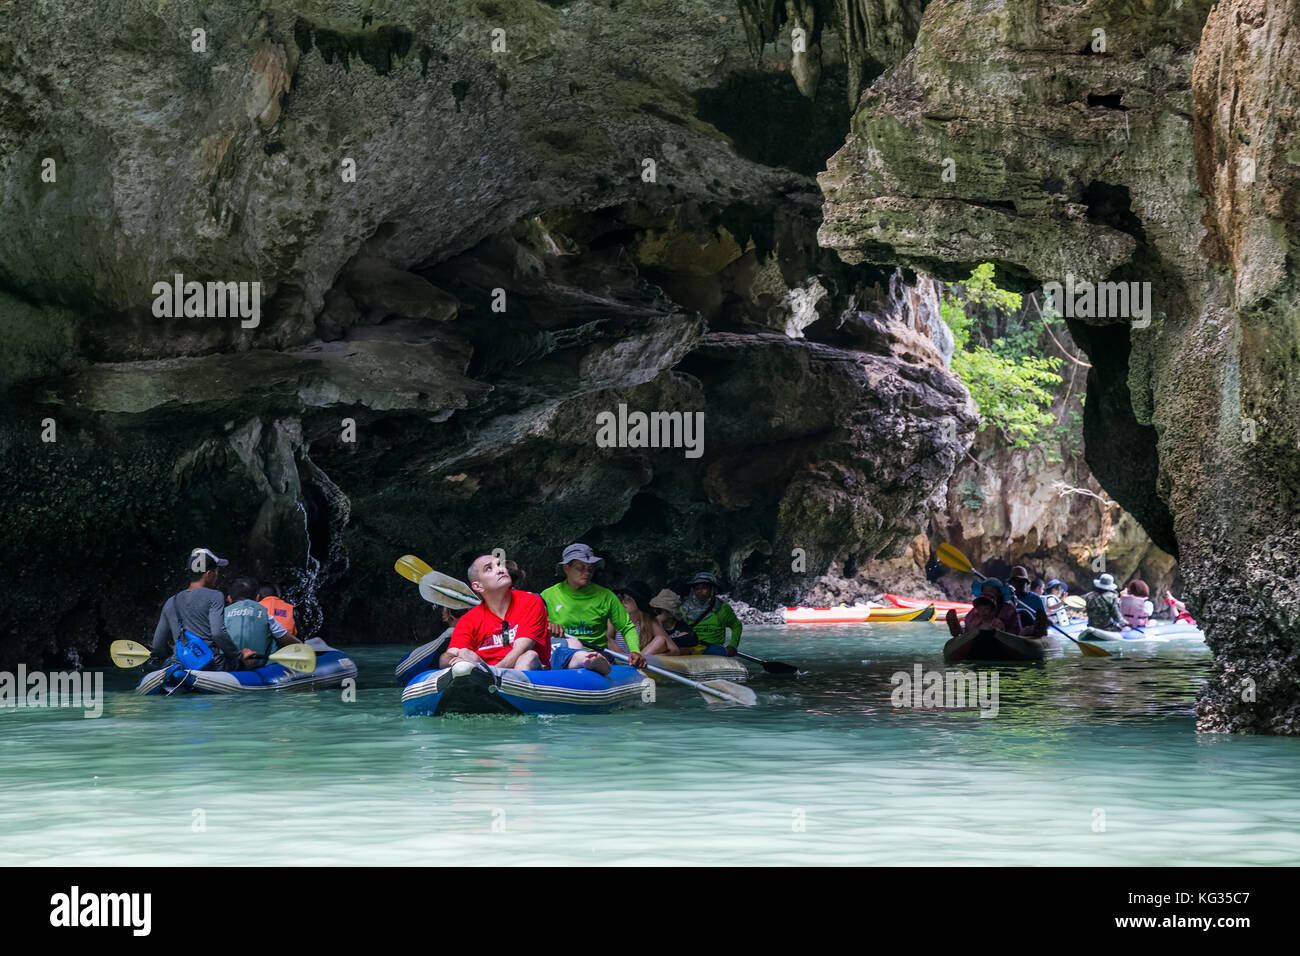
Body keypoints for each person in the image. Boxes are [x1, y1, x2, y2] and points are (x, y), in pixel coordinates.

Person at [540, 543, 646, 674]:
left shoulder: (606, 596)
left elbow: (626, 626)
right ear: (566, 568)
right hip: (560, 652)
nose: (587, 573)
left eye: (591, 568)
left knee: (593, 660)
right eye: (581, 567)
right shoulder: (548, 595)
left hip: (596, 653)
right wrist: (548, 625)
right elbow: (534, 627)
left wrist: (635, 650)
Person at [440, 554, 546, 670]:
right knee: (465, 653)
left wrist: (493, 674)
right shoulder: (468, 620)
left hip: (526, 671)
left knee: (528, 656)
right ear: (478, 586)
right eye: (489, 568)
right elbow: (451, 654)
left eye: (500, 565)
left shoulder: (531, 602)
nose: (500, 570)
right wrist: (452, 659)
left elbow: (520, 650)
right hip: (487, 674)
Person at [149, 547, 241, 670]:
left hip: (180, 664)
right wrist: (237, 656)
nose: (217, 576)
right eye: (217, 571)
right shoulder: (215, 596)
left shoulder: (171, 601)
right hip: (210, 665)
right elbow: (218, 633)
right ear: (209, 574)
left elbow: (157, 645)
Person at [225, 577, 300, 666]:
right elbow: (290, 640)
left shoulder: (220, 614)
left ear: (229, 598)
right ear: (257, 598)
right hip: (263, 665)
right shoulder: (264, 614)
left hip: (228, 666)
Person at [679, 572, 743, 656]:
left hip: (713, 648)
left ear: (712, 589)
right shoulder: (684, 609)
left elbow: (736, 625)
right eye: (697, 588)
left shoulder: (723, 608)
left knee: (714, 651)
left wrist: (733, 645)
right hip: (689, 647)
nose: (700, 591)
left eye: (704, 588)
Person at [608, 581, 679, 657]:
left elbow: (674, 650)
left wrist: (652, 658)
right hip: (619, 658)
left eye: (629, 599)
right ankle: (628, 660)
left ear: (639, 603)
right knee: (605, 638)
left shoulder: (649, 621)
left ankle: (635, 661)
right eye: (624, 597)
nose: (624, 601)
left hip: (640, 660)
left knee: (660, 640)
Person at [947, 578, 1021, 636]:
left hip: (1006, 635)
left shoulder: (1008, 608)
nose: (988, 592)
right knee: (972, 626)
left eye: (992, 590)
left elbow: (1004, 627)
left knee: (991, 626)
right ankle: (959, 630)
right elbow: (969, 622)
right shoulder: (977, 608)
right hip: (979, 632)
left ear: (999, 593)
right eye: (985, 590)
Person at [1007, 566, 1049, 637]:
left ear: (1027, 583)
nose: (1019, 584)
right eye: (1016, 581)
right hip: (1012, 632)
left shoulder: (1036, 599)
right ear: (1011, 583)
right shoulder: (1006, 598)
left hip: (1031, 633)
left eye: (1022, 582)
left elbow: (1042, 622)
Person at [1083, 573, 1127, 640]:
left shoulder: (1088, 596)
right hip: (1106, 629)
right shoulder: (1112, 597)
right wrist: (1125, 624)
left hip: (1091, 626)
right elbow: (1116, 617)